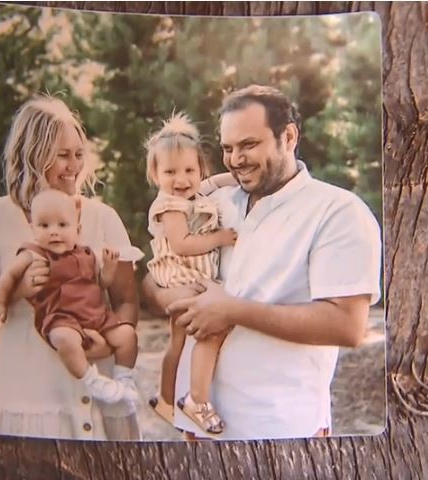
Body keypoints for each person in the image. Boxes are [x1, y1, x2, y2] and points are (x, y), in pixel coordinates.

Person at [141, 85, 382, 440]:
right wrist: (173, 298)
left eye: (248, 145)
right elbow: (153, 276)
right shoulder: (215, 202)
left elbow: (346, 326)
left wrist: (231, 311)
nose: (236, 159)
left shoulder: (337, 211)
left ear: (288, 136)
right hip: (197, 432)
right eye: (227, 148)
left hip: (280, 430)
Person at [0, 94, 143, 440]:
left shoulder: (103, 218)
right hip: (31, 398)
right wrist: (18, 291)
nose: (74, 166)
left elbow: (127, 301)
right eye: (62, 156)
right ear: (33, 156)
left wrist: (109, 345)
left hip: (101, 400)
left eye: (78, 154)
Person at [0, 189, 138, 404]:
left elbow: (102, 283)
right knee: (63, 339)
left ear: (77, 229)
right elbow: (8, 277)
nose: (54, 232)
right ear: (33, 229)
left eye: (62, 225)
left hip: (96, 314)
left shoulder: (86, 254)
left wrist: (110, 267)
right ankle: (93, 381)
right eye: (44, 225)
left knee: (127, 334)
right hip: (61, 317)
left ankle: (124, 379)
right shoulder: (32, 253)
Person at [141, 113, 237, 434]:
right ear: (155, 174)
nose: (181, 179)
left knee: (178, 343)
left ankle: (166, 401)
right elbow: (181, 244)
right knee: (210, 329)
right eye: (170, 171)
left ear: (200, 171)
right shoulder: (170, 205)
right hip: (182, 279)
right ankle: (195, 399)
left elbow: (217, 181)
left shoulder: (194, 193)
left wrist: (235, 176)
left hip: (188, 278)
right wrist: (220, 238)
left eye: (189, 171)